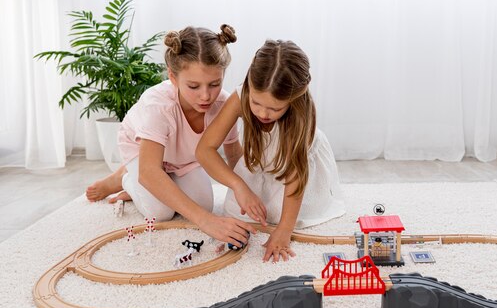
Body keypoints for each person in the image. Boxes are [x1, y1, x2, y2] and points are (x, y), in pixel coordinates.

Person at [86, 25, 256, 246]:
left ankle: (151, 182)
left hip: (181, 157)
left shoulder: (223, 103)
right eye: (193, 86)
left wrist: (248, 191)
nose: (206, 96)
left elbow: (234, 154)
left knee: (203, 204)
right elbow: (149, 171)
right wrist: (206, 222)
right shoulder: (159, 105)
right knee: (160, 212)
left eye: (215, 84)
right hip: (143, 154)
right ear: (173, 77)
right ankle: (126, 178)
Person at [195, 40, 345, 262]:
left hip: (296, 171)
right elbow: (204, 150)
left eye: (275, 108)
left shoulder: (300, 115)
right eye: (256, 103)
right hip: (264, 162)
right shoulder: (241, 96)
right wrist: (238, 185)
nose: (263, 113)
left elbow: (296, 175)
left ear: (292, 100)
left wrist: (285, 230)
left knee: (277, 216)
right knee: (238, 208)